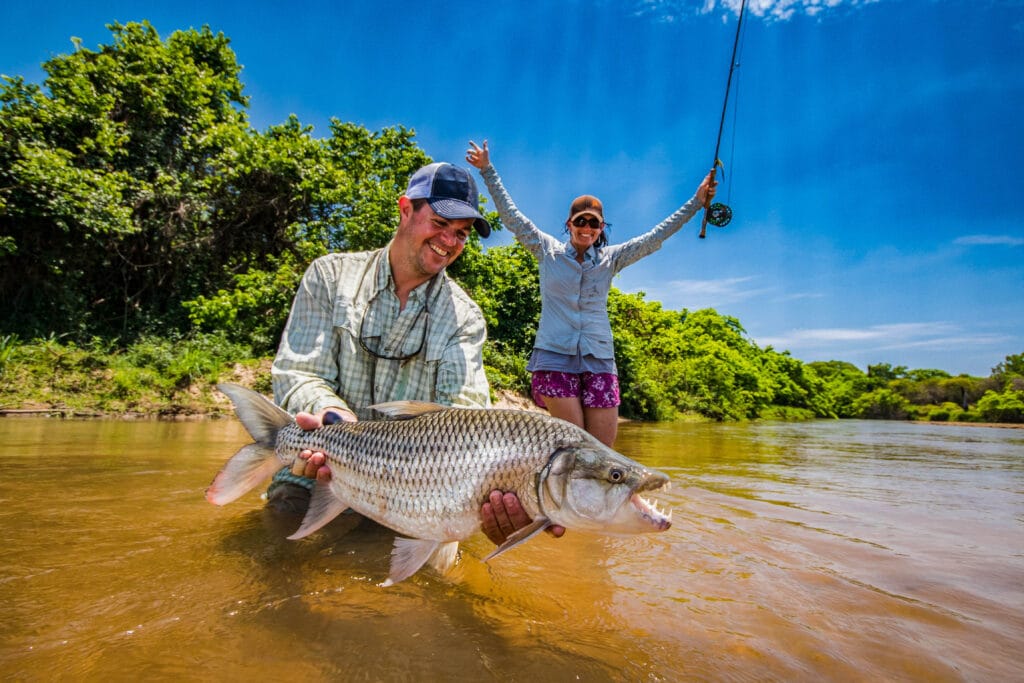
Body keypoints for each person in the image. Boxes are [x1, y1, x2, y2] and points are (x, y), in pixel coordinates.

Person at [268, 161, 555, 544]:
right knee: (278, 539)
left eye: (461, 233)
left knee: (423, 574)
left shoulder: (465, 318)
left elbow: (465, 414)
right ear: (405, 209)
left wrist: (501, 491)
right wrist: (329, 414)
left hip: (418, 492)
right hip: (318, 465)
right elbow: (300, 372)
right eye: (440, 223)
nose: (449, 241)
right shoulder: (329, 277)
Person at [466, 140, 716, 447]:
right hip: (554, 358)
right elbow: (512, 218)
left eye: (593, 222)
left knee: (602, 453)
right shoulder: (546, 251)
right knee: (575, 448)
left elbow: (655, 237)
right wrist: (487, 171)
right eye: (580, 221)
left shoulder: (612, 259)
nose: (586, 227)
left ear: (601, 227)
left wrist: (696, 203)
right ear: (569, 224)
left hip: (599, 359)